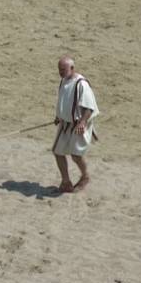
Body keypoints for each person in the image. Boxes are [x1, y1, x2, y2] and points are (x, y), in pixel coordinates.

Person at [52, 56, 99, 193]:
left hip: (79, 124)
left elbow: (89, 107)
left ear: (72, 68)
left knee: (76, 155)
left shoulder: (81, 84)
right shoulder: (64, 81)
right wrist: (59, 116)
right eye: (59, 69)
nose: (60, 72)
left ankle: (85, 176)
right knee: (58, 152)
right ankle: (66, 182)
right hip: (65, 124)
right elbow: (64, 101)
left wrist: (83, 122)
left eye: (63, 69)